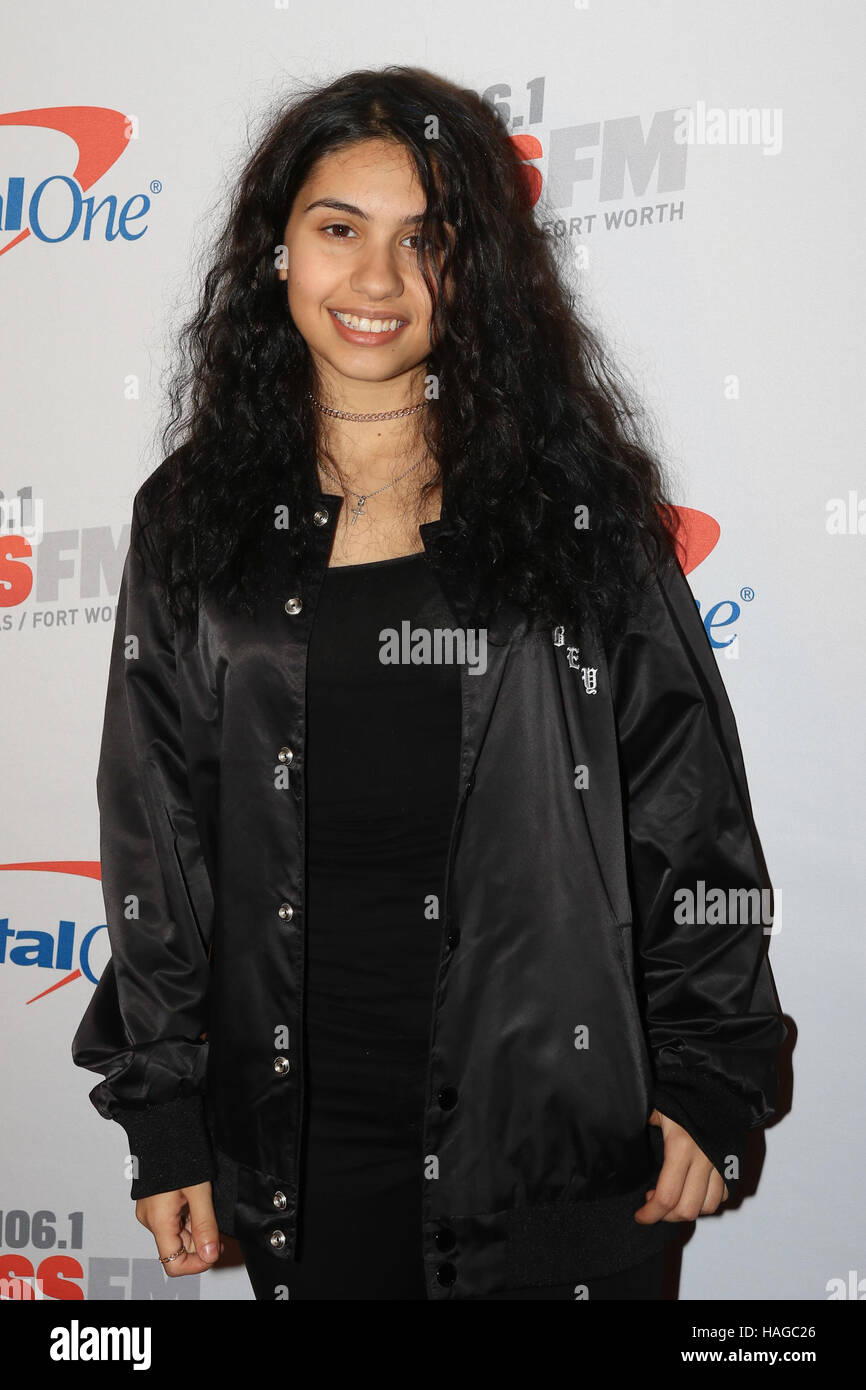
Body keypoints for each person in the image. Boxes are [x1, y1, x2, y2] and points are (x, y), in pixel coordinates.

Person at [71, 65, 786, 1301]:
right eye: (338, 230)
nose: (378, 280)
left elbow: (684, 806)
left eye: (427, 240)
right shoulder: (190, 515)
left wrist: (710, 1073)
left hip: (550, 1143)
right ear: (274, 253)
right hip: (304, 1133)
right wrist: (166, 1113)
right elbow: (158, 839)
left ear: (476, 273)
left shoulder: (576, 512)